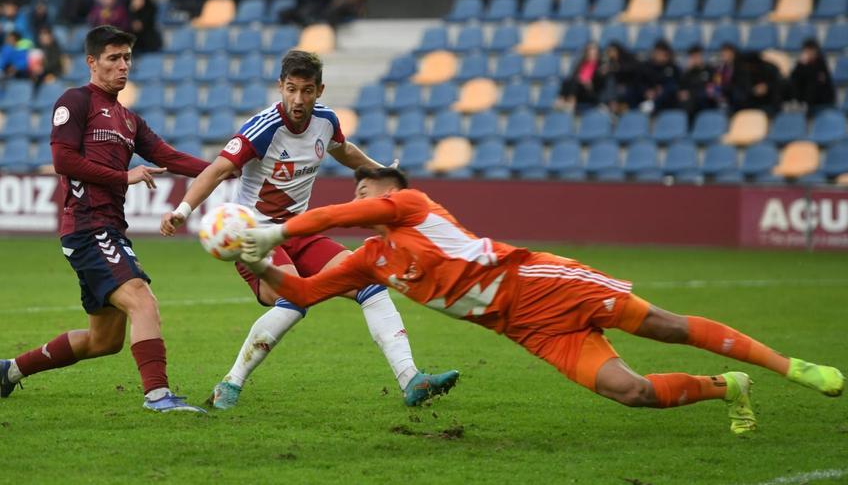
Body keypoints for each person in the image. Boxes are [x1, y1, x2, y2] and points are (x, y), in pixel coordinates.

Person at [237, 166, 845, 434]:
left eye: (371, 183)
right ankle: (728, 387)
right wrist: (258, 258)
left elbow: (347, 211)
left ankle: (792, 368)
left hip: (544, 282)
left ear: (391, 191)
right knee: (629, 392)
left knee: (664, 325)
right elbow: (304, 292)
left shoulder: (411, 205)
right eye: (361, 184)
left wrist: (281, 229)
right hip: (528, 331)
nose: (363, 188)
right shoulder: (368, 260)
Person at [159, 50, 459, 410]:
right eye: (291, 89)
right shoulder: (263, 128)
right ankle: (231, 383)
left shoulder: (326, 121)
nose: (298, 99)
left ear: (319, 90)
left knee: (370, 283)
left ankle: (411, 379)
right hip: (257, 236)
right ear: (280, 87)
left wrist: (383, 175)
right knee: (295, 297)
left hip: (299, 232)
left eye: (306, 90)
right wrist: (182, 209)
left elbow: (343, 150)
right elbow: (218, 170)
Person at [0, 25, 211, 413]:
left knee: (103, 341)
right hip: (89, 226)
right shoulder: (75, 101)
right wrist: (124, 176)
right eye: (113, 59)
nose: (123, 66)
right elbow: (64, 160)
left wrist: (227, 167)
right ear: (92, 62)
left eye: (127, 58)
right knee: (142, 300)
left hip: (106, 227)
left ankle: (10, 371)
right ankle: (158, 396)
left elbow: (170, 158)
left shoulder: (129, 120)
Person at [789, 39, 835, 115]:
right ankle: (796, 102)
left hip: (821, 96)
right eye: (806, 50)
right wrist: (801, 65)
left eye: (810, 50)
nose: (808, 53)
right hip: (804, 95)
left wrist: (805, 66)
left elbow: (819, 78)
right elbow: (794, 77)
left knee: (812, 82)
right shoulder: (801, 63)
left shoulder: (821, 62)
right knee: (794, 82)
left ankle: (806, 105)